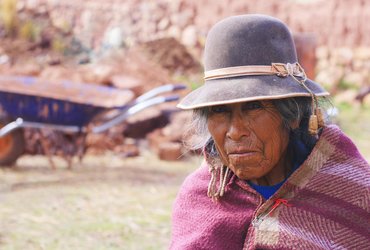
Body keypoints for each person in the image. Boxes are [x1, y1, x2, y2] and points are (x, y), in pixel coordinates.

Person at [170, 14, 370, 249]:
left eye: (254, 107)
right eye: (219, 111)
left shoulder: (354, 194)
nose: (235, 132)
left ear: (294, 116)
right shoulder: (202, 195)